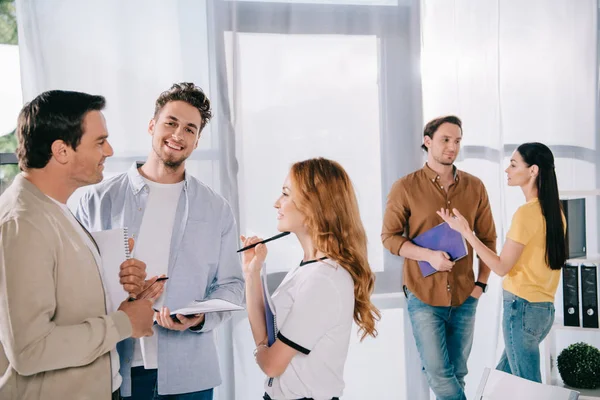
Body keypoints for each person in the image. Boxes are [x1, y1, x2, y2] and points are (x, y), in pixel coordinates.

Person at [76, 82, 245, 399]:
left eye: (190, 129)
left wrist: (200, 319)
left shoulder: (216, 208)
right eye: (171, 123)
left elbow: (233, 285)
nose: (178, 135)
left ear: (196, 141)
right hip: (114, 370)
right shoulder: (96, 200)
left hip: (190, 376)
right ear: (152, 125)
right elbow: (73, 284)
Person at [0, 90, 155, 400]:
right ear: (61, 151)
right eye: (99, 142)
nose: (109, 151)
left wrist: (115, 278)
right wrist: (123, 324)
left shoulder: (55, 208)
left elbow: (63, 298)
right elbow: (30, 349)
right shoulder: (23, 224)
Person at [241, 157, 380, 400]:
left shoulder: (324, 280)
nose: (277, 203)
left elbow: (272, 364)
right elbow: (265, 337)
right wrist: (251, 273)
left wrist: (262, 351)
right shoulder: (308, 268)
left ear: (313, 206)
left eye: (285, 194)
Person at [381, 115, 497, 400]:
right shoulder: (405, 187)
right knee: (439, 375)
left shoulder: (475, 187)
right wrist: (428, 255)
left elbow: (488, 240)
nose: (452, 147)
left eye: (457, 141)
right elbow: (390, 237)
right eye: (445, 140)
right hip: (423, 295)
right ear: (428, 141)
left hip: (465, 295)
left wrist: (480, 286)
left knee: (458, 373)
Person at [437, 142, 566, 383]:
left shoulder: (526, 213)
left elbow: (500, 267)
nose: (507, 169)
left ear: (533, 170)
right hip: (543, 311)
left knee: (527, 388)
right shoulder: (555, 212)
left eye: (514, 164)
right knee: (500, 385)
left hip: (522, 309)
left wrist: (467, 232)